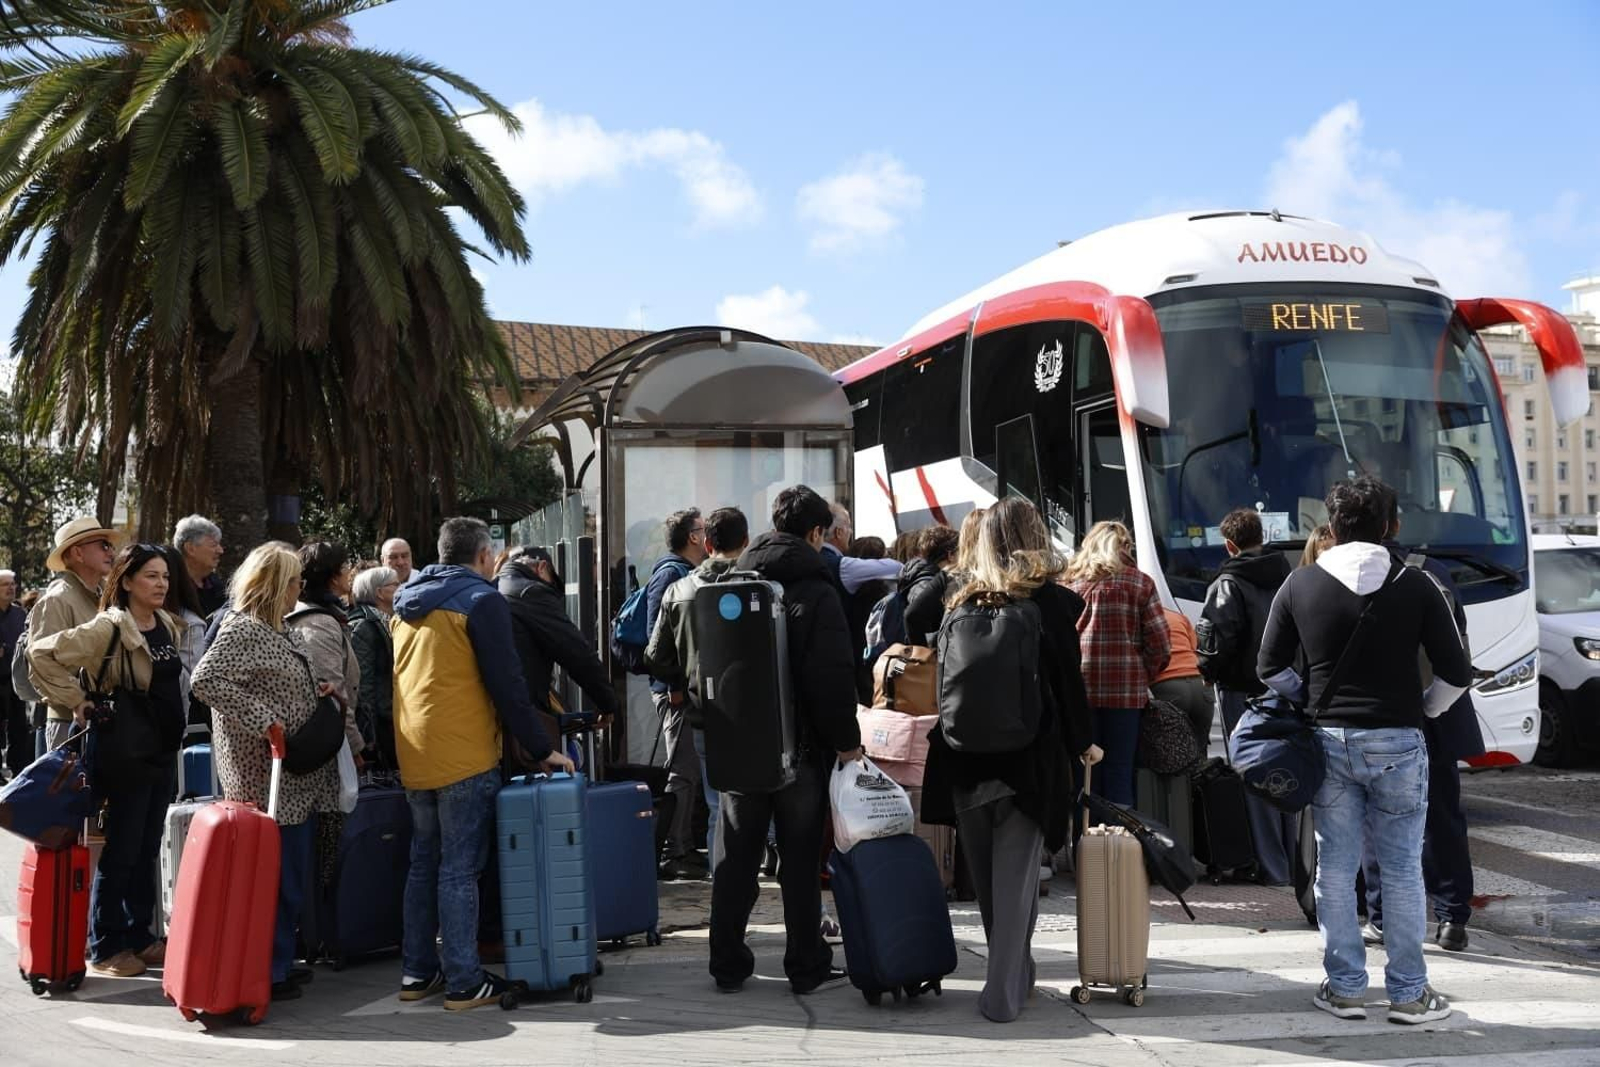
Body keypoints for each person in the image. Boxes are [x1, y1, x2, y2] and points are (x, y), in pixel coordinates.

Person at [1258, 477, 1469, 1025]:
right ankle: (1408, 993)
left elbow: (1268, 666)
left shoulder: (1299, 584)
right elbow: (1456, 671)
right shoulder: (1416, 584)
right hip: (1399, 739)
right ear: (1391, 526)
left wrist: (1306, 696)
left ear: (1330, 529)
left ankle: (1346, 985)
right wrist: (1426, 708)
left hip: (1328, 742)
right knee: (1401, 869)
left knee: (1335, 867)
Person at [921, 497, 1101, 1023]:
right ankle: (1001, 996)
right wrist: (1083, 742)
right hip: (1029, 762)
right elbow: (1069, 686)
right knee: (1018, 882)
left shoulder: (957, 601)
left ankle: (1016, 978)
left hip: (963, 759)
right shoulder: (1051, 602)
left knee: (991, 888)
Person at [391, 517, 573, 1011]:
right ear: (483, 556)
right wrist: (540, 747)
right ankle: (465, 981)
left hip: (416, 751)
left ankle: (416, 972)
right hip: (464, 751)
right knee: (460, 868)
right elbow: (507, 683)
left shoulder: (404, 605)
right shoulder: (482, 601)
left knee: (423, 863)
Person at [713, 485, 863, 995]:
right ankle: (805, 964)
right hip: (799, 752)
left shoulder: (733, 582)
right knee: (799, 862)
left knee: (737, 858)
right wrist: (847, 741)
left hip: (740, 745)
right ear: (816, 533)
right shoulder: (817, 591)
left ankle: (727, 963)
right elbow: (831, 675)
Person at [191, 542, 341, 1000]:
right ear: (275, 584)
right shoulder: (244, 629)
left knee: (287, 873)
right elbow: (206, 680)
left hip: (291, 773)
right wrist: (266, 720)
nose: (300, 587)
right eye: (294, 580)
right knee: (277, 875)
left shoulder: (277, 626)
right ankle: (266, 969)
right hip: (264, 776)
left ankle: (277, 960)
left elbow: (277, 680)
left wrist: (315, 690)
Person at [29, 544, 186, 978]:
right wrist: (76, 701)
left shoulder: (166, 625)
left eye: (165, 577)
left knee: (148, 847)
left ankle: (139, 936)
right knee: (122, 849)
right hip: (125, 751)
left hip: (159, 751)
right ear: (128, 580)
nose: (161, 584)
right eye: (151, 576)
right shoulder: (109, 627)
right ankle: (105, 944)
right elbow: (41, 654)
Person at [1361, 505, 1484, 954]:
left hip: (1377, 714)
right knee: (1443, 815)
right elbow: (1457, 647)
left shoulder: (1344, 574)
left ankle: (1382, 917)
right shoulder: (1431, 573)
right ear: (1395, 525)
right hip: (1435, 712)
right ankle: (1452, 917)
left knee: (1376, 817)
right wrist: (1432, 708)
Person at [644, 506, 750, 869]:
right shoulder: (759, 585)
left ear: (707, 542)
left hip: (703, 705)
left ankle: (723, 880)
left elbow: (655, 652)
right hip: (747, 710)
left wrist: (685, 680)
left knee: (716, 796)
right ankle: (688, 852)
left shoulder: (681, 587)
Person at [1195, 507, 1296, 884]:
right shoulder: (1289, 575)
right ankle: (1293, 861)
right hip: (1287, 688)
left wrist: (1208, 671)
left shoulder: (1228, 583)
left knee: (1254, 773)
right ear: (1262, 535)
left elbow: (1216, 639)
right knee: (1287, 773)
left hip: (1243, 690)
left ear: (1229, 544)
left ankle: (1271, 866)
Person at [1065, 521, 1170, 806]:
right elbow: (1160, 643)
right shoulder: (1139, 582)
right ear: (1124, 547)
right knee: (1120, 770)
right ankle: (1118, 843)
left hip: (1079, 693)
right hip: (1125, 696)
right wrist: (1140, 674)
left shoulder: (1069, 585)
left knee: (1085, 770)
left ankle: (1085, 840)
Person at [497, 544, 619, 751]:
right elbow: (575, 653)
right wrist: (607, 703)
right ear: (542, 567)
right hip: (527, 713)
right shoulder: (531, 592)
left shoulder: (497, 586)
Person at [646, 509, 709, 877]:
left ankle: (681, 845)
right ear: (693, 537)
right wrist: (674, 687)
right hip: (676, 694)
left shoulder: (682, 572)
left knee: (688, 769)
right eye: (702, 528)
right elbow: (659, 641)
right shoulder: (670, 574)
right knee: (682, 771)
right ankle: (673, 851)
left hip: (684, 691)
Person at [29, 517, 118, 752]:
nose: (111, 551)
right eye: (103, 545)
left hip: (104, 719)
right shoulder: (56, 600)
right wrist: (77, 701)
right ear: (78, 553)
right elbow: (39, 663)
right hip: (70, 723)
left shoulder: (106, 599)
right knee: (71, 789)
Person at [288, 543, 364, 759]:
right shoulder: (318, 623)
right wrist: (354, 747)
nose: (350, 571)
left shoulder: (330, 614)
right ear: (333, 577)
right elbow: (333, 692)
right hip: (330, 745)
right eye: (346, 566)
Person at [349, 565, 400, 769]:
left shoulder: (388, 621)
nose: (402, 588)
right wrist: (369, 736)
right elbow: (363, 684)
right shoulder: (364, 626)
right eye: (396, 584)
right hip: (380, 724)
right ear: (379, 592)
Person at [1150, 607, 1212, 754]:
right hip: (1201, 685)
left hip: (1168, 685)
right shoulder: (1178, 617)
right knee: (1200, 752)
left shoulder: (1140, 618)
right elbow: (1195, 648)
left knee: (1171, 754)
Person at [899, 524, 959, 647]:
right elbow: (912, 617)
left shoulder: (921, 577)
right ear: (950, 555)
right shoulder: (927, 584)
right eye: (960, 551)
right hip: (923, 660)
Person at [0, 569, 29, 780]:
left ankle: (19, 771)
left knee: (20, 727)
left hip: (17, 681)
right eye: (5, 584)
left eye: (13, 584)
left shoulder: (20, 615)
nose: (11, 588)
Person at [173, 515, 226, 617]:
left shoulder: (218, 587)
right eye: (213, 545)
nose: (220, 551)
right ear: (190, 548)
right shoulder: (169, 586)